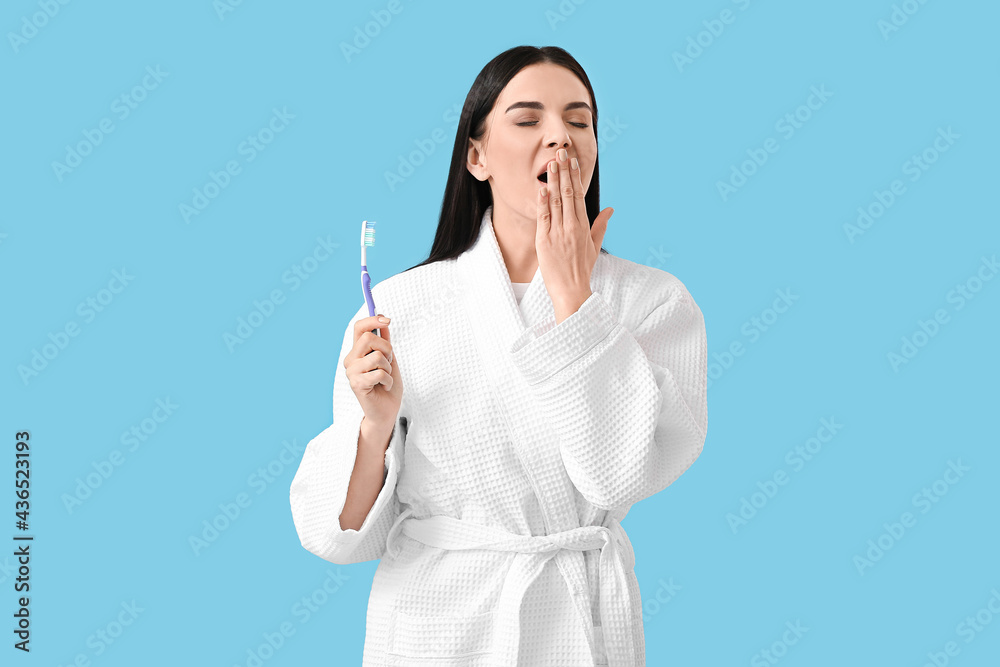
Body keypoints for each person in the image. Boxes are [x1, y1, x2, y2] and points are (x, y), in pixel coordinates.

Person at [289, 45, 708, 666]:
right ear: (476, 156)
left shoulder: (652, 301)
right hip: (440, 621)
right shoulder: (402, 306)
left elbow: (620, 475)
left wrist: (576, 304)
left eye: (579, 120)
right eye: (528, 119)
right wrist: (375, 427)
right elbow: (342, 535)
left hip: (577, 622)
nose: (560, 139)